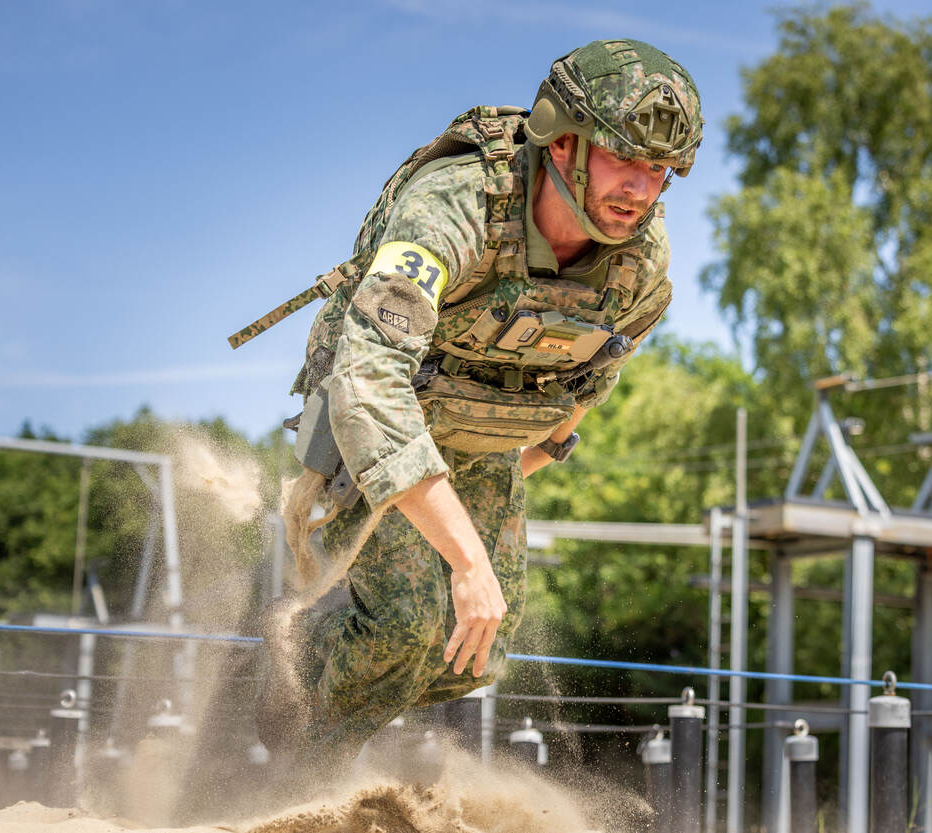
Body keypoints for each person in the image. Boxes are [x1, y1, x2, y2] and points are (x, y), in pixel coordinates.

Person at [259, 38, 703, 760]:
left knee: (471, 656)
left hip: (485, 435)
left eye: (659, 169)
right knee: (401, 630)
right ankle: (297, 761)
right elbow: (371, 381)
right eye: (623, 157)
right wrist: (466, 560)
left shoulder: (642, 262)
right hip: (383, 417)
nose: (640, 188)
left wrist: (516, 471)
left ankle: (312, 670)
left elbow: (594, 376)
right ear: (563, 142)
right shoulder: (455, 205)